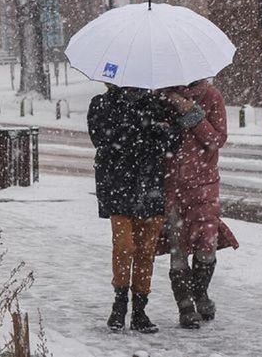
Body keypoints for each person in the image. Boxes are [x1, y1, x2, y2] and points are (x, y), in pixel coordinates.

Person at [88, 84, 180, 334]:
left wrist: (170, 128)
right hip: (118, 186)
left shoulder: (155, 105)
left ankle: (140, 310)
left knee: (146, 251)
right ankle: (119, 306)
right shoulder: (101, 104)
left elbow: (171, 145)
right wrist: (141, 130)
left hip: (149, 185)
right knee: (124, 246)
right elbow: (103, 140)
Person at [158, 78, 238, 329]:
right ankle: (185, 307)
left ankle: (200, 293)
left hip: (204, 184)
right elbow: (156, 142)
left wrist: (190, 112)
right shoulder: (161, 98)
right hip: (172, 185)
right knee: (178, 248)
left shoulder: (211, 96)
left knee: (206, 245)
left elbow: (216, 139)